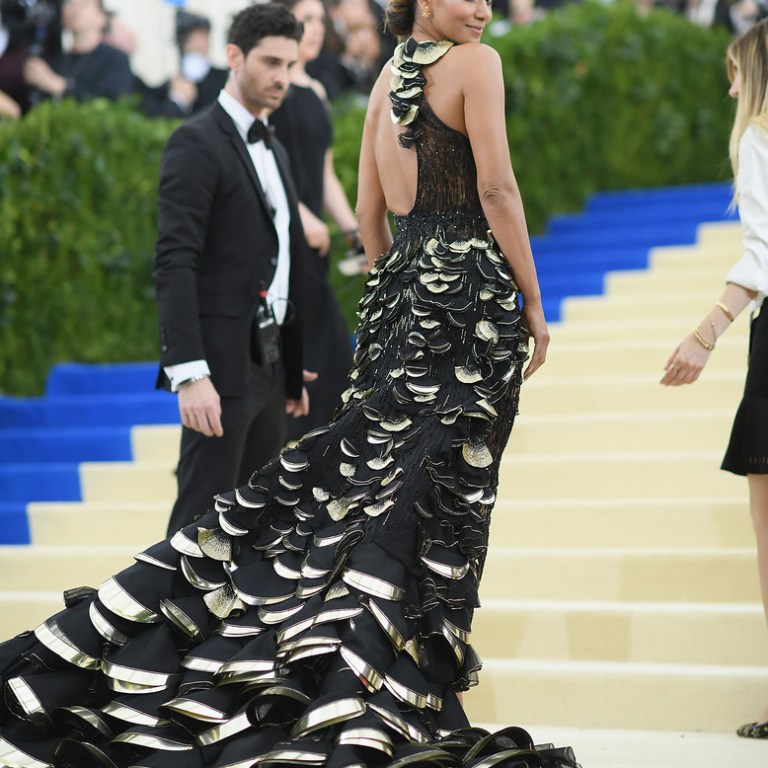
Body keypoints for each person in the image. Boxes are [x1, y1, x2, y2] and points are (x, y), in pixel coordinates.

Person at [0, 1, 579, 766]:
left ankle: (329, 686)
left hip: (400, 306)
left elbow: (371, 219)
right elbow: (498, 191)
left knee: (352, 507)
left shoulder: (386, 78)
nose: (481, 7)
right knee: (433, 516)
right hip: (469, 308)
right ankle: (377, 701)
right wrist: (531, 301)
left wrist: (402, 296)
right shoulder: (478, 64)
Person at [155, 4, 310, 538]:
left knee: (257, 531)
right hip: (217, 371)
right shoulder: (194, 142)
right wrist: (190, 373)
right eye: (270, 62)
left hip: (267, 369)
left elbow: (280, 262)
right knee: (196, 530)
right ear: (233, 56)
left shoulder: (278, 150)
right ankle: (149, 623)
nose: (281, 77)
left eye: (289, 65)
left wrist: (290, 365)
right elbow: (175, 261)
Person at [661, 17, 768, 740]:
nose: (728, 85)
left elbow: (764, 254)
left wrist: (705, 334)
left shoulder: (758, 136)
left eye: (733, 71)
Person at [269, 0, 358, 440]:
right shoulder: (273, 87)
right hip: (282, 244)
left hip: (316, 245)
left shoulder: (317, 90)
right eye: (305, 21)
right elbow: (263, 165)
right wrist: (301, 217)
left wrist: (352, 229)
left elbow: (323, 174)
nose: (315, 29)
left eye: (320, 20)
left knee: (333, 362)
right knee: (314, 359)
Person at [23, 0, 133, 104]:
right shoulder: (56, 61)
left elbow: (113, 103)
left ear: (102, 18)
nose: (75, 9)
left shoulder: (115, 59)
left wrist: (58, 85)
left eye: (84, 3)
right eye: (70, 3)